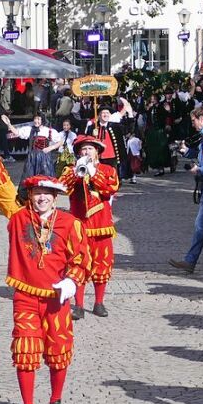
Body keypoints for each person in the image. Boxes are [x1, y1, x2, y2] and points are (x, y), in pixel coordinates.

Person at [0, 147, 89, 404]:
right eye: (36, 192)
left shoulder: (70, 223)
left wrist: (71, 280)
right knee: (25, 352)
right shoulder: (18, 218)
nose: (41, 197)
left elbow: (82, 259)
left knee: (58, 350)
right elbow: (3, 191)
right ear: (30, 195)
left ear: (55, 197)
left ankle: (55, 399)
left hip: (57, 298)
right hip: (26, 296)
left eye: (46, 193)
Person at [59, 135, 119, 320]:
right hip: (79, 226)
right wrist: (75, 174)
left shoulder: (108, 170)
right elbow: (61, 187)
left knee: (102, 264)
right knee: (79, 264)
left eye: (90, 149)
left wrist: (93, 173)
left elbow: (111, 189)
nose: (86, 152)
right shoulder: (71, 170)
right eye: (83, 150)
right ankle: (78, 305)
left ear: (98, 152)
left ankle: (99, 302)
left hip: (102, 227)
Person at [169, 107, 203, 274]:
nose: (193, 125)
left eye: (193, 121)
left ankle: (192, 261)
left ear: (202, 118)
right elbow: (202, 153)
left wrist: (201, 170)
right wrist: (186, 151)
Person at [17, 114, 60, 180]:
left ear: (42, 120)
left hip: (44, 158)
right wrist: (9, 124)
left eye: (38, 119)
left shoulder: (48, 131)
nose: (36, 121)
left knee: (45, 178)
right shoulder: (30, 129)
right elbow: (17, 133)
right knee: (30, 178)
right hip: (32, 157)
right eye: (35, 119)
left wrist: (50, 148)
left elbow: (60, 142)